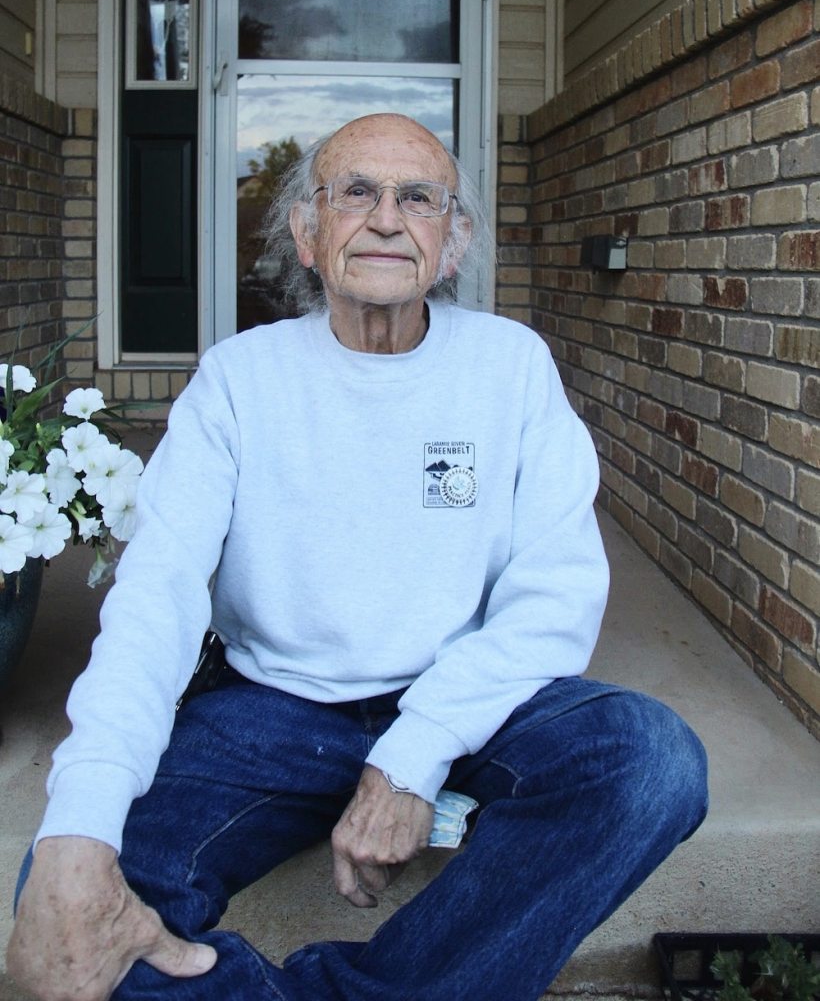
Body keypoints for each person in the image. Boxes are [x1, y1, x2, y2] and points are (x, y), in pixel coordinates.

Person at [7, 113, 708, 1001]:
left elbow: (553, 596)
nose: (386, 219)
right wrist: (77, 825)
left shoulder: (511, 368)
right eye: (357, 193)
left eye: (418, 198)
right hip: (272, 708)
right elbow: (157, 598)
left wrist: (414, 750)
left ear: (451, 244)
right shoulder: (238, 379)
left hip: (468, 695)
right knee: (71, 904)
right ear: (308, 231)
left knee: (650, 764)